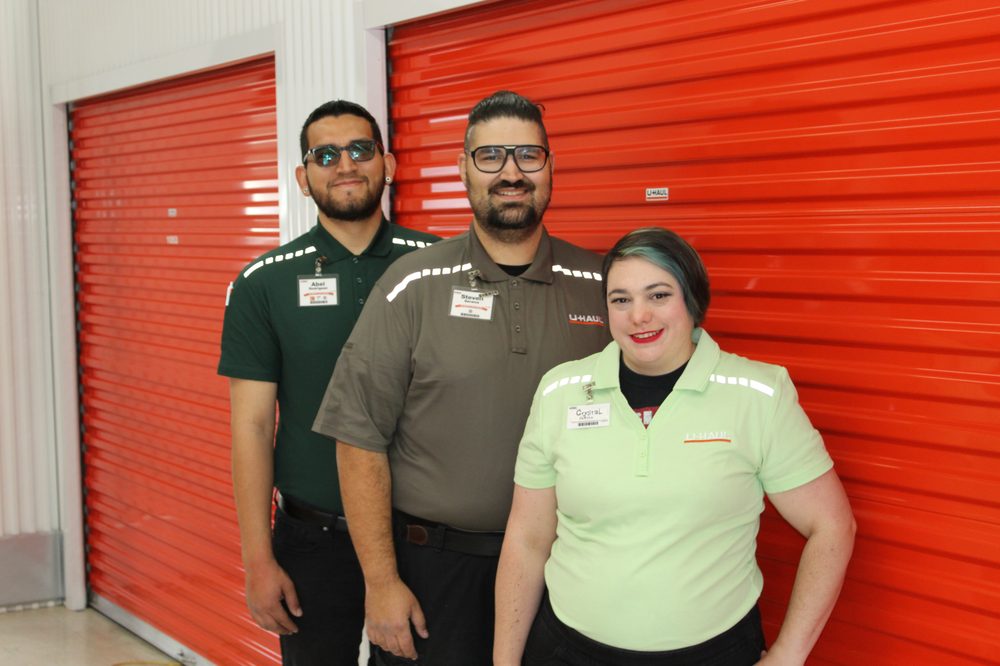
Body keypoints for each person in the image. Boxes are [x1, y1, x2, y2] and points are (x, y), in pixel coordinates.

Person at [312, 90, 611, 665]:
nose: (511, 173)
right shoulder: (411, 286)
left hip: (568, 568)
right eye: (490, 156)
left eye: (528, 155)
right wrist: (381, 583)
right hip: (435, 574)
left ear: (550, 166)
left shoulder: (601, 286)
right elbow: (357, 440)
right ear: (463, 169)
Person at [495, 227, 857, 666]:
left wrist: (789, 654)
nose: (639, 316)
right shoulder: (560, 391)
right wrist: (504, 661)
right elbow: (527, 539)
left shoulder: (760, 395)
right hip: (567, 651)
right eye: (621, 299)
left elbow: (831, 526)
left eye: (659, 295)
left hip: (714, 654)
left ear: (693, 299)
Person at [218, 100, 438, 665]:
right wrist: (257, 560)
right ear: (303, 177)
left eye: (361, 149)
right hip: (313, 541)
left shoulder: (437, 267)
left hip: (425, 539)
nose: (345, 165)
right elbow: (251, 427)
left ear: (388, 164)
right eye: (326, 155)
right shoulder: (262, 284)